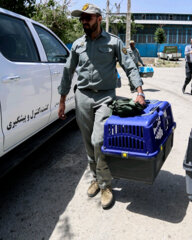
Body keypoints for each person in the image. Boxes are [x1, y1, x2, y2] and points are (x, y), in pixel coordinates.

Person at [57, 3, 146, 209]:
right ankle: (96, 177)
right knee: (88, 143)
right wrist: (62, 100)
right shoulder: (78, 45)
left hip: (105, 98)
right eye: (82, 19)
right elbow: (67, 71)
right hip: (83, 97)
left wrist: (139, 91)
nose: (84, 22)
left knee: (99, 140)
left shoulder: (113, 42)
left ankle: (106, 184)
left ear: (98, 18)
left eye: (88, 18)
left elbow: (129, 65)